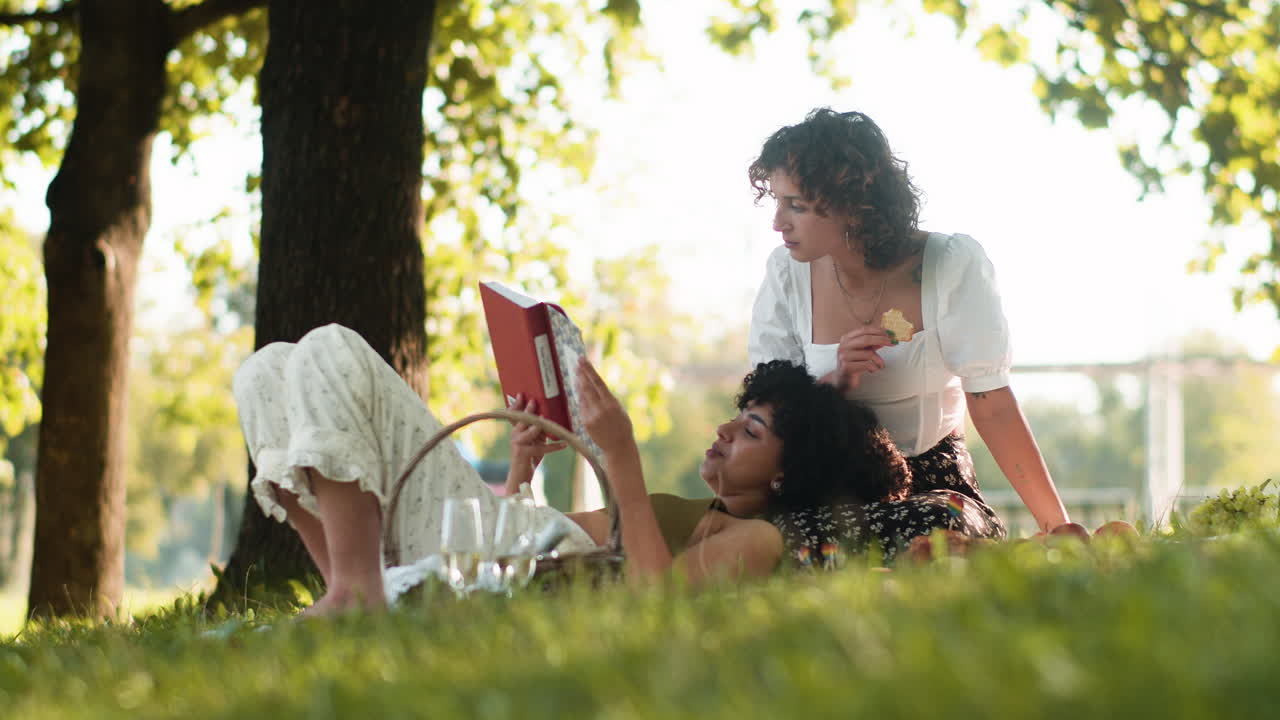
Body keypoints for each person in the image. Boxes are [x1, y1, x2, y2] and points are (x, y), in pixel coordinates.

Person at [232, 323, 910, 615]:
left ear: (784, 479)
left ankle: (355, 594)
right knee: (264, 371)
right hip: (497, 542)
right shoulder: (689, 511)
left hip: (502, 561)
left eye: (753, 429)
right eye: (740, 415)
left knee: (331, 349)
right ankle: (352, 588)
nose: (726, 428)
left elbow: (658, 602)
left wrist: (622, 459)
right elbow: (539, 537)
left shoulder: (759, 539)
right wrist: (523, 469)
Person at [746, 108, 1070, 552]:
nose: (778, 222)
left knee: (934, 524)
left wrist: (1058, 529)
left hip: (932, 488)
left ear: (852, 204)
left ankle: (830, 553)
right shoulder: (785, 273)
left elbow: (991, 402)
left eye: (796, 206)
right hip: (824, 489)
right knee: (789, 534)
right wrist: (833, 384)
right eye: (777, 202)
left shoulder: (951, 263)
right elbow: (764, 410)